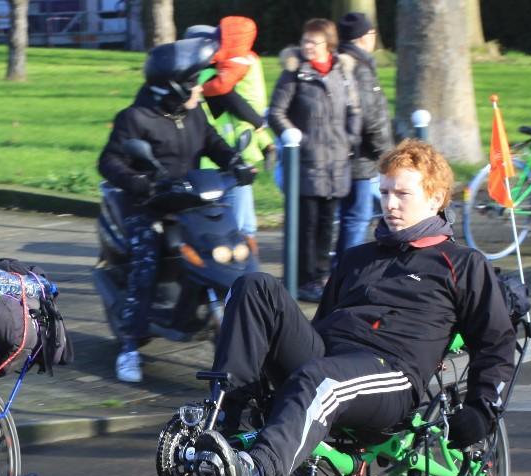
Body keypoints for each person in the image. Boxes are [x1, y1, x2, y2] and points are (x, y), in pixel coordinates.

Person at [169, 140, 516, 476]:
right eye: (384, 193)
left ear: (435, 199)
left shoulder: (462, 264)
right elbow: (320, 326)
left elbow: (495, 341)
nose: (390, 204)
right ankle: (224, 427)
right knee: (254, 285)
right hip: (330, 360)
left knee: (324, 381)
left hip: (392, 374)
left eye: (402, 193)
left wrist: (483, 408)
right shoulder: (357, 259)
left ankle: (256, 473)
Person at [98, 37, 257, 383]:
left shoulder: (192, 111)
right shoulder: (135, 118)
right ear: (172, 87)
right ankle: (129, 346)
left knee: (232, 247)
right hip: (150, 205)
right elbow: (108, 161)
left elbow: (211, 142)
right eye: (193, 84)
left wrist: (234, 161)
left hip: (191, 201)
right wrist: (140, 183)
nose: (200, 90)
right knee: (147, 260)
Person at [268, 18, 359, 302]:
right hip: (306, 164)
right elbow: (276, 113)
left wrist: (350, 139)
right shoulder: (295, 75)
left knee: (326, 225)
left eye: (314, 42)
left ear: (328, 45)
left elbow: (354, 109)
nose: (307, 46)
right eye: (305, 41)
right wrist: (297, 139)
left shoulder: (342, 73)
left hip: (336, 165)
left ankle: (320, 276)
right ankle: (302, 278)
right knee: (305, 226)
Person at [188, 17, 276, 269]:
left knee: (242, 224)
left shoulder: (223, 69)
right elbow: (237, 105)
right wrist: (262, 135)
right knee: (237, 225)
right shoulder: (216, 72)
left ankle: (247, 275)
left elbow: (239, 106)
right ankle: (243, 276)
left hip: (232, 154)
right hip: (225, 156)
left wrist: (263, 139)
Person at [335, 11, 393, 260]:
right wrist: (386, 154)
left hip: (345, 153)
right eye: (372, 33)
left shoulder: (340, 61)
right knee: (356, 218)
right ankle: (346, 272)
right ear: (363, 37)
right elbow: (371, 117)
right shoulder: (360, 67)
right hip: (360, 156)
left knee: (351, 215)